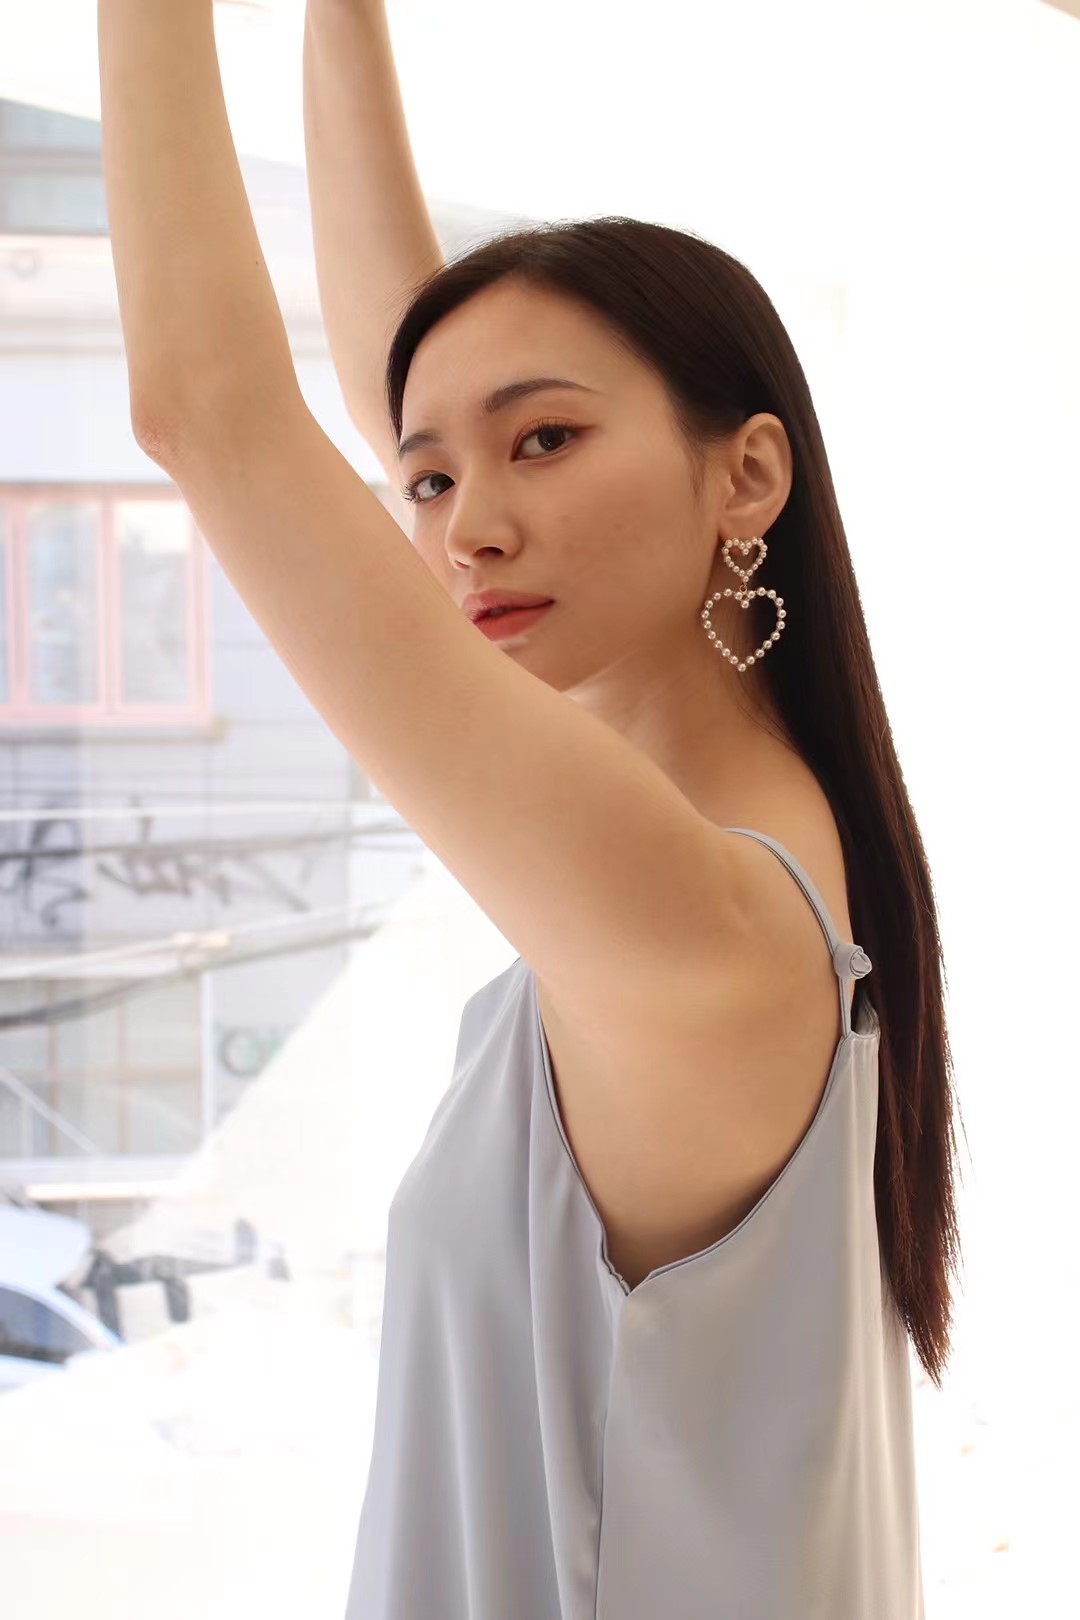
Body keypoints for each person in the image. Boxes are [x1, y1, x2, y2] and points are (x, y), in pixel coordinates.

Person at [99, 0, 964, 1613]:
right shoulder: (736, 869)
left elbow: (205, 408)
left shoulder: (694, 925)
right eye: (430, 484)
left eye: (546, 441)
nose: (462, 531)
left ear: (747, 475)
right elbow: (405, 387)